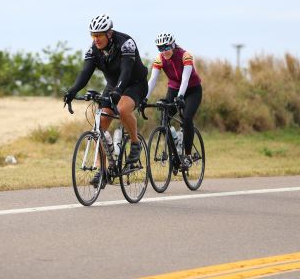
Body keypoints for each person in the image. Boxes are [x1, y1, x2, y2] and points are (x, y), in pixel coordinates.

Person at [63, 14, 148, 186]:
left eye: (99, 35)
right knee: (98, 127)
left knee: (122, 109)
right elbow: (85, 73)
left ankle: (135, 143)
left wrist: (119, 89)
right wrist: (73, 90)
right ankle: (102, 171)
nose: (96, 39)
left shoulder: (125, 43)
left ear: (109, 34)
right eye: (93, 35)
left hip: (134, 83)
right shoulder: (93, 49)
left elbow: (126, 70)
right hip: (112, 86)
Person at [143, 32, 202, 169]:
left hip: (192, 90)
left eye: (166, 48)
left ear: (173, 45)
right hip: (174, 89)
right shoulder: (159, 59)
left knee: (187, 118)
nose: (163, 52)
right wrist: (144, 98)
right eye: (160, 49)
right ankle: (175, 144)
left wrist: (181, 97)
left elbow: (186, 78)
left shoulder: (186, 55)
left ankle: (188, 157)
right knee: (164, 118)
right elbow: (152, 81)